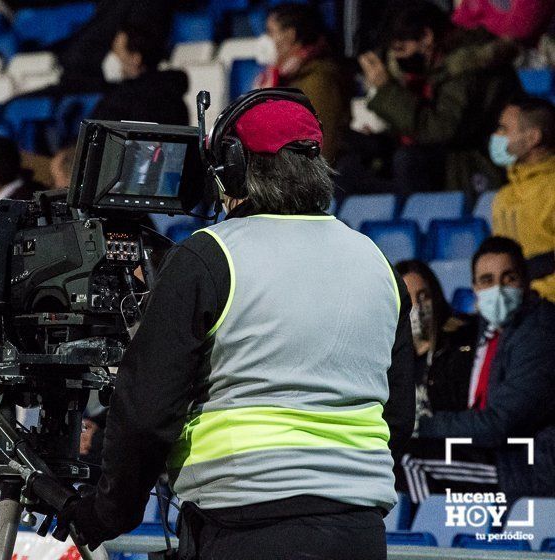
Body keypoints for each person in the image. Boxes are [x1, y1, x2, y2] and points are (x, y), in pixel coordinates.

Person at [54, 89, 415, 559]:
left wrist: (105, 514)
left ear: (232, 166)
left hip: (245, 528)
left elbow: (145, 414)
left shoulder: (210, 256)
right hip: (358, 532)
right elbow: (398, 419)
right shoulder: (378, 263)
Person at [412, 237, 555, 502]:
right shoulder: (485, 330)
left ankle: (425, 535)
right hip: (489, 452)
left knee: (409, 461)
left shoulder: (541, 332)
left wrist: (423, 425)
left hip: (524, 467)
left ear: (524, 281)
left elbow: (500, 424)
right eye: (487, 281)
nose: (498, 289)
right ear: (475, 289)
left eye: (508, 278)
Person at [358, 0, 521, 194]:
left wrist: (386, 90)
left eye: (401, 49)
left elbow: (440, 129)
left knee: (407, 160)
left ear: (427, 37)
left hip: (477, 166)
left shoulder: (466, 68)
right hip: (450, 159)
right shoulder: (435, 66)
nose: (399, 59)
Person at [254, 3, 350, 161]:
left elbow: (322, 145)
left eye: (270, 32)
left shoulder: (318, 79)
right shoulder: (283, 77)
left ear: (290, 35)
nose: (265, 39)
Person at [490, 98, 555, 303]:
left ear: (532, 138)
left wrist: (536, 296)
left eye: (504, 129)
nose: (496, 136)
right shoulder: (503, 197)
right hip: (518, 308)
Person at [396, 260, 477, 415]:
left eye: (423, 296)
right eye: (406, 298)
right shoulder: (390, 359)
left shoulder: (459, 348)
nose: (416, 306)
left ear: (436, 297)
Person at [90, 22, 189, 126]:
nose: (112, 57)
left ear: (135, 59)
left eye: (117, 52)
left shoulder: (118, 102)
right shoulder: (176, 100)